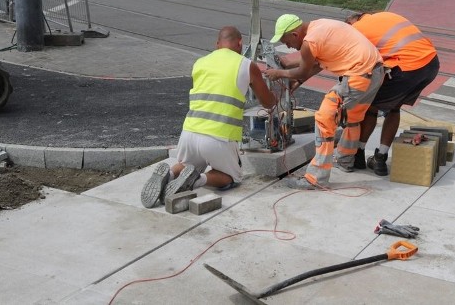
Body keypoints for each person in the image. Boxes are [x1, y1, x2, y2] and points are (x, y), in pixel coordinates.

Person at [141, 26, 276, 208]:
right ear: (240, 44)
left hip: (189, 133)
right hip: (219, 136)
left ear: (217, 44)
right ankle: (197, 180)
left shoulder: (200, 63)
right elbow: (268, 102)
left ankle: (171, 174)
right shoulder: (245, 64)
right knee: (232, 178)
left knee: (187, 164)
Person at [264, 14, 385, 189]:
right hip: (376, 73)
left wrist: (279, 73)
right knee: (353, 116)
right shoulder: (319, 26)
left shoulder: (309, 42)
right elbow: (317, 63)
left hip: (358, 77)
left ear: (295, 34)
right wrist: (294, 75)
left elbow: (304, 69)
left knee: (323, 118)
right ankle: (345, 160)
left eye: (287, 41)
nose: (288, 46)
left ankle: (316, 178)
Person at [341, 12, 439, 176]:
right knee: (394, 108)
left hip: (407, 68)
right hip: (431, 64)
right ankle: (380, 158)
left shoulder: (357, 28)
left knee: (371, 106)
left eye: (348, 24)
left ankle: (359, 154)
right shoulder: (385, 17)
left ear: (354, 21)